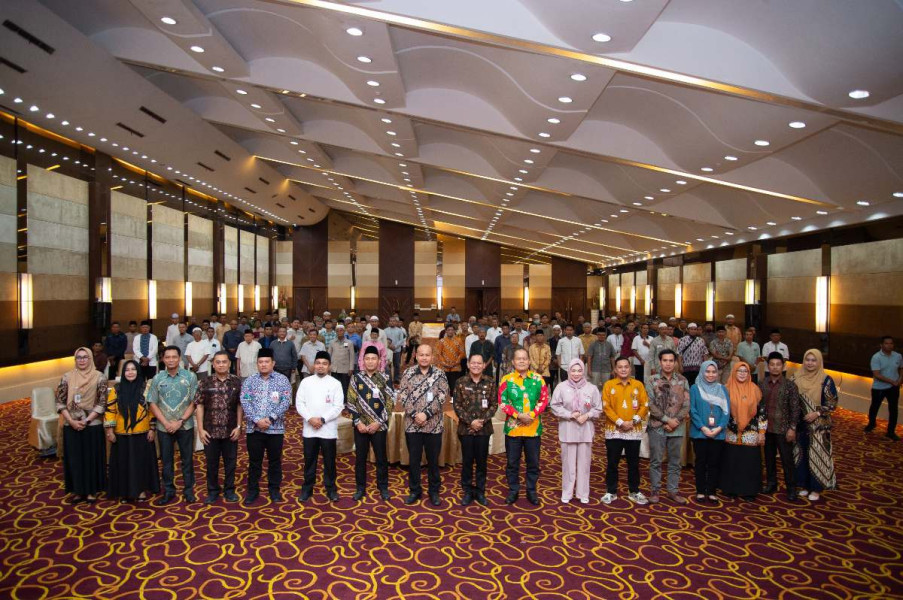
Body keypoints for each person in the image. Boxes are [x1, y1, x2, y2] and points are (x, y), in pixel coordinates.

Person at [146, 346, 198, 505]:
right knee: (166, 460)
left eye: (174, 357)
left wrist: (180, 421)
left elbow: (194, 402)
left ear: (179, 358)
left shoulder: (190, 376)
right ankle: (169, 490)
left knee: (187, 460)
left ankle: (188, 490)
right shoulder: (157, 378)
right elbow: (152, 403)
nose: (170, 360)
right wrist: (166, 423)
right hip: (164, 427)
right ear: (163, 359)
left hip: (185, 425)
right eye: (167, 357)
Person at [399, 344, 449, 507]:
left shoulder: (440, 374)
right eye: (421, 355)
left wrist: (426, 414)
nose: (424, 358)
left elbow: (443, 396)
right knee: (414, 460)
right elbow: (403, 396)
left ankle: (434, 491)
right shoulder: (408, 372)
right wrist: (415, 415)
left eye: (427, 355)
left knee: (433, 461)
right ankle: (415, 490)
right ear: (416, 356)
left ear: (432, 357)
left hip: (433, 425)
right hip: (412, 425)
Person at [57, 347, 108, 504]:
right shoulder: (67, 377)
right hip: (71, 424)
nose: (82, 360)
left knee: (90, 459)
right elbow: (60, 401)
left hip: (92, 424)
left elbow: (102, 403)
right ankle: (78, 491)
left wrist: (86, 421)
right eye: (79, 357)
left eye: (85, 357)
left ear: (91, 358)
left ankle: (92, 490)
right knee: (75, 459)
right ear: (75, 360)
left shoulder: (99, 377)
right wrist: (71, 421)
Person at [241, 348, 292, 503]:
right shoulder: (250, 381)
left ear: (273, 363)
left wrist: (270, 418)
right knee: (254, 461)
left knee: (275, 460)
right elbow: (245, 400)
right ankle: (252, 491)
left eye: (266, 362)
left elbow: (285, 401)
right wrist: (257, 419)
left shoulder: (282, 380)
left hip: (275, 429)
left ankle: (274, 490)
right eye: (260, 362)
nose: (263, 365)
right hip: (254, 428)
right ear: (257, 364)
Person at [499, 347, 549, 505]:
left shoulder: (538, 379)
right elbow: (502, 401)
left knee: (533, 463)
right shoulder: (506, 379)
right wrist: (518, 415)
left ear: (529, 361)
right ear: (513, 362)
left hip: (533, 429)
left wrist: (532, 415)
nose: (521, 361)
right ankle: (513, 490)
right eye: (518, 358)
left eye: (524, 358)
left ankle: (531, 491)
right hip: (513, 429)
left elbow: (544, 400)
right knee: (512, 463)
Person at [104, 359, 160, 503]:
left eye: (133, 369)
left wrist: (152, 429)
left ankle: (141, 490)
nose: (130, 372)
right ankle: (124, 492)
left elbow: (151, 411)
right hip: (121, 434)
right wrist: (110, 431)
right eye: (127, 370)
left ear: (138, 371)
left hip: (142, 433)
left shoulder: (145, 387)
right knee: (123, 464)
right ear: (123, 373)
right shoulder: (117, 389)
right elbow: (110, 410)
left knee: (140, 463)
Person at [194, 351, 243, 504]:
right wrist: (200, 429)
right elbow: (199, 405)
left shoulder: (237, 382)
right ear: (213, 364)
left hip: (231, 431)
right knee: (211, 463)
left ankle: (229, 490)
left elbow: (240, 406)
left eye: (224, 362)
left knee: (231, 463)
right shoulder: (204, 382)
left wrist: (239, 426)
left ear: (229, 363)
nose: (221, 364)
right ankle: (213, 491)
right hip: (210, 431)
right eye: (218, 362)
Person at [550, 358, 602, 504]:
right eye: (573, 370)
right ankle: (567, 492)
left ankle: (582, 493)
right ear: (568, 371)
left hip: (585, 430)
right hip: (568, 430)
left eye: (579, 370)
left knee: (584, 464)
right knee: (568, 465)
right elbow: (554, 406)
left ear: (583, 371)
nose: (576, 373)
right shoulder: (561, 387)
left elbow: (598, 408)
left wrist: (587, 415)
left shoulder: (591, 388)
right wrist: (569, 415)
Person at [346, 346, 394, 501]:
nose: (371, 361)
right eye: (368, 358)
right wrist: (357, 422)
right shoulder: (356, 378)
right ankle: (360, 488)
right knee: (360, 459)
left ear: (379, 361)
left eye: (374, 358)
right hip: (360, 426)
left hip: (379, 426)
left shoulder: (385, 378)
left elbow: (390, 402)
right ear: (363, 361)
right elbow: (350, 402)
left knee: (381, 458)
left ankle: (383, 487)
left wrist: (378, 423)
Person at [296, 351, 345, 503]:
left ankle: (331, 489)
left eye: (324, 363)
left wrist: (322, 420)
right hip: (310, 429)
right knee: (310, 461)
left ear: (329, 366)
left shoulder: (335, 383)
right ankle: (307, 489)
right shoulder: (306, 382)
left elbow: (338, 406)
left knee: (330, 462)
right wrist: (310, 419)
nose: (321, 366)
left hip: (328, 430)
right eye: (318, 363)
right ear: (313, 365)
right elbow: (299, 403)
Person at [601, 357, 649, 505]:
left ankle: (634, 491)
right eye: (620, 367)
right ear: (615, 369)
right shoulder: (609, 385)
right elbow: (606, 406)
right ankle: (611, 491)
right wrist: (620, 422)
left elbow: (644, 405)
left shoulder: (638, 385)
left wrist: (633, 421)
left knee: (633, 463)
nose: (623, 369)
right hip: (614, 430)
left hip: (633, 430)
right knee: (612, 462)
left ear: (630, 368)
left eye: (626, 367)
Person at [645, 349, 690, 505]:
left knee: (675, 462)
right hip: (657, 426)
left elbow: (686, 404)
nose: (668, 364)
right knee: (656, 460)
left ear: (675, 362)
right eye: (665, 360)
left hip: (677, 426)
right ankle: (655, 491)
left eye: (671, 360)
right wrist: (666, 420)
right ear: (660, 361)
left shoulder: (683, 380)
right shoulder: (652, 380)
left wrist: (674, 421)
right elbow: (649, 404)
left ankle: (672, 491)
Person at [793, 349, 838, 501]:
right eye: (807, 360)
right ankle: (805, 485)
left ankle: (816, 489)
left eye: (813, 360)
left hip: (819, 426)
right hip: (800, 424)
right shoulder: (796, 377)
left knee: (817, 456)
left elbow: (832, 403)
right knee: (802, 455)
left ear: (819, 362)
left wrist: (817, 413)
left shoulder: (826, 380)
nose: (810, 363)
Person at [453, 353, 497, 506]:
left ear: (484, 365)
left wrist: (481, 421)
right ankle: (467, 491)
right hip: (466, 430)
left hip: (484, 430)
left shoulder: (490, 382)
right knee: (466, 461)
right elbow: (456, 405)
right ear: (468, 365)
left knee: (482, 461)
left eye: (479, 363)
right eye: (473, 363)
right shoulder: (460, 382)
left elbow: (494, 405)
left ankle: (480, 491)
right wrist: (471, 421)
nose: (476, 365)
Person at [721, 361, 766, 500]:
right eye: (739, 371)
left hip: (750, 434)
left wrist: (762, 433)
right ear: (734, 372)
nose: (742, 374)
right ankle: (731, 489)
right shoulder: (726, 389)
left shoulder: (755, 389)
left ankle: (749, 491)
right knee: (731, 461)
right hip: (731, 433)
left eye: (745, 371)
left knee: (748, 463)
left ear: (749, 373)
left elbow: (762, 413)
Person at [760, 352, 802, 502]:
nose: (775, 367)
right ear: (768, 366)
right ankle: (771, 483)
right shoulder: (762, 383)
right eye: (772, 364)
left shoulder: (790, 385)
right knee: (769, 458)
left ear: (783, 366)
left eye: (778, 364)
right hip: (766, 429)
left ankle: (791, 488)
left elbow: (796, 409)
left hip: (784, 429)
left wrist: (792, 428)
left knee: (787, 460)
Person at [689, 361, 730, 503]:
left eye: (714, 372)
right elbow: (692, 410)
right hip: (700, 432)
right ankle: (700, 491)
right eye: (707, 371)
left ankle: (712, 491)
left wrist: (719, 428)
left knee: (714, 463)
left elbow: (727, 411)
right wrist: (703, 427)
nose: (711, 375)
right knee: (701, 462)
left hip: (718, 433)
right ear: (702, 372)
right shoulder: (695, 388)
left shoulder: (723, 389)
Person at [866, 336, 902, 441]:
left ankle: (891, 432)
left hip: (894, 387)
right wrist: (892, 381)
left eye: (891, 343)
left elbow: (901, 369)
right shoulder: (876, 357)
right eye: (887, 343)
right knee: (874, 407)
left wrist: (900, 380)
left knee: (893, 409)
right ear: (881, 345)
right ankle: (872, 423)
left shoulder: (898, 356)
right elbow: (877, 374)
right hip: (879, 388)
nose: (889, 345)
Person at [437, 324, 466, 391]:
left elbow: (462, 353)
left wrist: (455, 363)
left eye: (452, 330)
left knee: (454, 387)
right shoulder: (441, 341)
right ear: (446, 331)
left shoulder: (459, 341)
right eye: (448, 330)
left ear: (454, 331)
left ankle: (453, 400)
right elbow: (439, 354)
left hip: (455, 367)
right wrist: (444, 363)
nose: (450, 331)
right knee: (443, 388)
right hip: (444, 367)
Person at [329, 324, 355, 396]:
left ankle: (345, 401)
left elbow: (352, 356)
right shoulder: (332, 342)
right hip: (334, 368)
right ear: (336, 332)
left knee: (345, 386)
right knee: (334, 386)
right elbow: (329, 355)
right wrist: (328, 367)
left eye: (341, 330)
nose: (339, 332)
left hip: (345, 368)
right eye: (337, 331)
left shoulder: (349, 342)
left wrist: (351, 368)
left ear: (344, 331)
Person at [385, 317, 408, 383]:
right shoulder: (385, 330)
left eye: (393, 321)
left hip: (396, 350)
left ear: (396, 322)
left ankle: (396, 378)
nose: (392, 322)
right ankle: (387, 378)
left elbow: (401, 340)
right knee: (387, 365)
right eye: (391, 321)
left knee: (397, 365)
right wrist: (389, 346)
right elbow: (384, 339)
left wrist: (395, 346)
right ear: (389, 322)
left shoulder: (400, 331)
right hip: (388, 350)